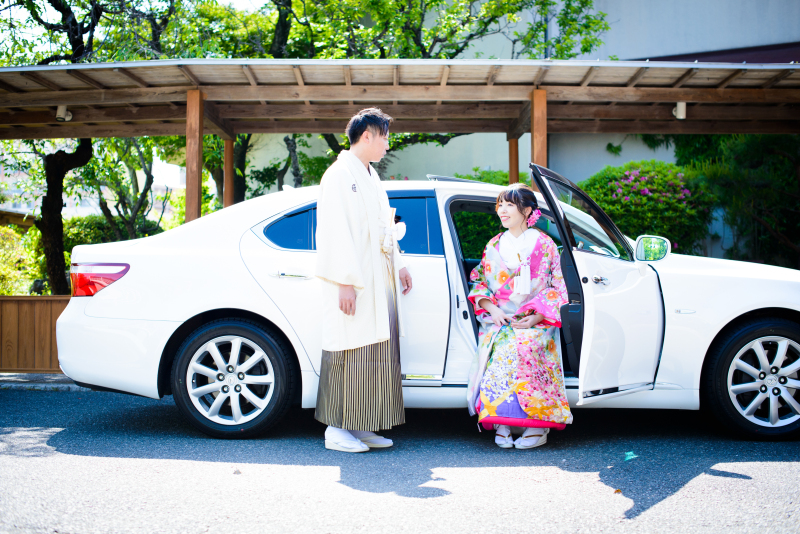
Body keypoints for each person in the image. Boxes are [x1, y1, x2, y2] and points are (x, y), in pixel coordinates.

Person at [314, 108, 413, 453]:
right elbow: (333, 231)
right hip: (354, 282)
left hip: (377, 280)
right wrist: (343, 281)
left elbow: (385, 227)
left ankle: (362, 424)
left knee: (373, 351)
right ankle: (336, 429)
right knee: (348, 348)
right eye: (385, 136)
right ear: (367, 135)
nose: (388, 144)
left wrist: (398, 264)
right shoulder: (339, 175)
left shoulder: (371, 177)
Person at [466, 183, 572, 449]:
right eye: (499, 204)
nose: (501, 210)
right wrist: (492, 308)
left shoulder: (545, 244)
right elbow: (479, 280)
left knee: (528, 350)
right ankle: (502, 423)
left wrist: (537, 318)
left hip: (534, 321)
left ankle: (537, 427)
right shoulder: (493, 245)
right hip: (500, 320)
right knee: (501, 353)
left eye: (509, 205)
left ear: (526, 210)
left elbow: (557, 287)